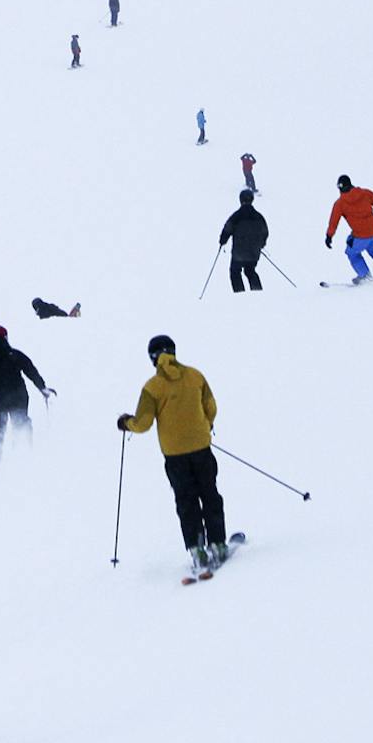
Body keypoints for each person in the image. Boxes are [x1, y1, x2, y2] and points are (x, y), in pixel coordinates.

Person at [116, 335, 228, 575]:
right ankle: (218, 544)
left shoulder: (152, 387)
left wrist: (126, 423)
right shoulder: (195, 376)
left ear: (152, 358)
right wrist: (205, 426)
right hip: (201, 448)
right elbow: (211, 407)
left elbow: (143, 423)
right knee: (210, 493)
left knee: (186, 501)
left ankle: (197, 550)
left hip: (175, 455)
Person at [0, 326, 52, 470]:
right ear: (6, 338)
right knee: (21, 426)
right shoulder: (15, 354)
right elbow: (31, 371)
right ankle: (24, 462)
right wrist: (42, 388)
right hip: (18, 397)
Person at [325, 174, 373, 283]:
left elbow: (334, 222)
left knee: (352, 252)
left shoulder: (340, 203)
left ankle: (365, 276)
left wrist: (329, 236)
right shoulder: (365, 193)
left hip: (361, 237)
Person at [219, 189, 268, 293]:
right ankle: (257, 292)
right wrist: (261, 244)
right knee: (250, 271)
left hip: (239, 252)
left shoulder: (236, 216)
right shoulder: (259, 217)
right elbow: (265, 232)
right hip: (254, 252)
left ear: (240, 200)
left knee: (235, 272)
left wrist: (222, 241)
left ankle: (240, 293)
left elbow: (227, 229)